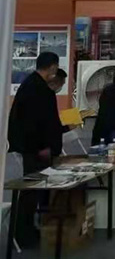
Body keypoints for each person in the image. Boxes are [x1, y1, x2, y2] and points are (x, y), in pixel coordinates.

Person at [7, 53, 67, 246]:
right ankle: (23, 233)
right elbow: (37, 123)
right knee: (32, 190)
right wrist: (43, 147)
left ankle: (26, 229)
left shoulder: (30, 85)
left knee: (33, 190)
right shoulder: (39, 90)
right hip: (36, 149)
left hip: (33, 147)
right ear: (52, 67)